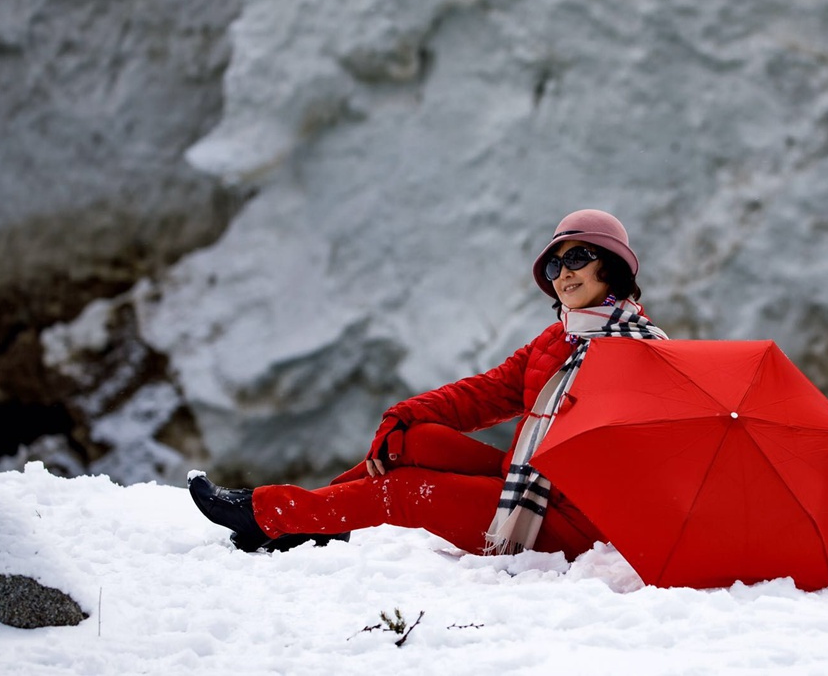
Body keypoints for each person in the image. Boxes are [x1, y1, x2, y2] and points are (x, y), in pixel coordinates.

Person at [189, 209, 668, 559]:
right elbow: (488, 391)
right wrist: (406, 413)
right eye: (553, 266)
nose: (563, 274)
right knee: (413, 440)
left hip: (560, 523)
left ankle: (270, 514)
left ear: (610, 266)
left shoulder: (639, 354)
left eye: (577, 257)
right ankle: (317, 522)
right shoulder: (559, 339)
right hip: (524, 485)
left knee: (405, 492)